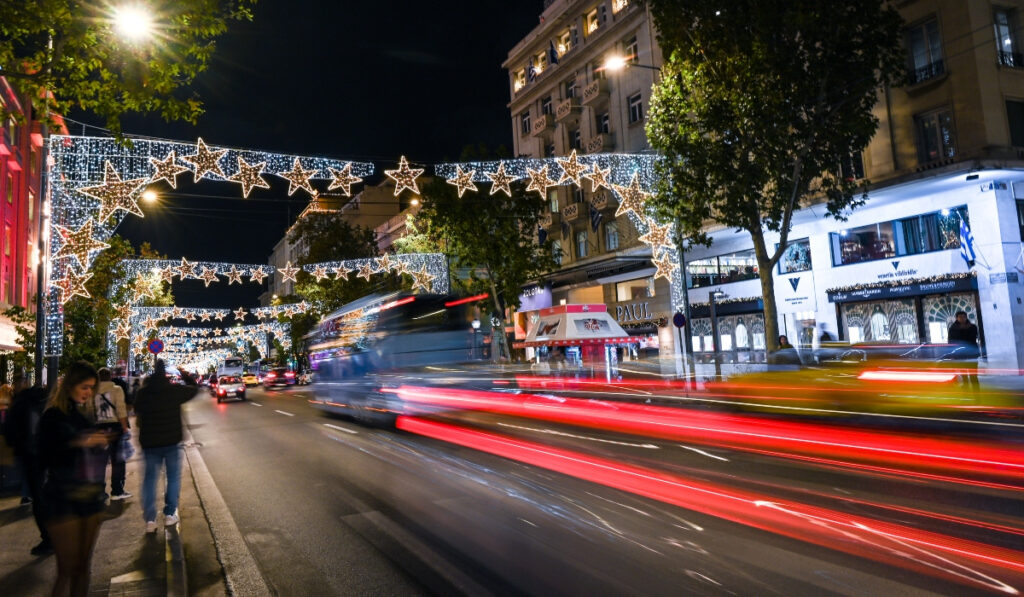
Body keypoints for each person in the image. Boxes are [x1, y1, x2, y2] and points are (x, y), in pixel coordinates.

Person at [37, 362, 115, 596]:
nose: (88, 392)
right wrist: (79, 442)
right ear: (70, 385)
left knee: (82, 567)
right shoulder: (52, 415)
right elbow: (44, 455)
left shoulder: (84, 413)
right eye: (84, 387)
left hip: (90, 496)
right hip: (63, 498)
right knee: (66, 569)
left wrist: (100, 441)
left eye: (91, 388)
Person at [134, 360, 198, 533]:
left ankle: (150, 520)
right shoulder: (173, 390)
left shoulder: (144, 393)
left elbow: (136, 409)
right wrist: (184, 373)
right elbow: (194, 389)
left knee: (149, 480)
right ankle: (169, 515)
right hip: (171, 441)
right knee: (173, 478)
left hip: (149, 444)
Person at [4, 375, 54, 554]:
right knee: (44, 494)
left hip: (30, 455)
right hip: (46, 453)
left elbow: (9, 431)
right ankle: (53, 536)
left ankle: (49, 539)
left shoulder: (19, 403)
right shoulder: (43, 399)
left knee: (39, 498)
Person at [84, 368, 131, 500]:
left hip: (99, 428)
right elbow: (121, 410)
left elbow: (89, 410)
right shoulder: (116, 389)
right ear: (110, 376)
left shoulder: (92, 392)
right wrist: (124, 428)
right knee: (118, 461)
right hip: (115, 427)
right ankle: (117, 490)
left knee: (99, 461)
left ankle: (99, 491)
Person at [948, 311, 980, 390]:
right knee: (964, 376)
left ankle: (976, 395)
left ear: (966, 317)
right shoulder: (953, 328)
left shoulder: (972, 327)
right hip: (960, 355)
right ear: (957, 318)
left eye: (964, 317)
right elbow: (951, 341)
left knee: (973, 376)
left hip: (972, 354)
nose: (962, 319)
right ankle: (966, 393)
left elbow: (972, 339)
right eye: (960, 317)